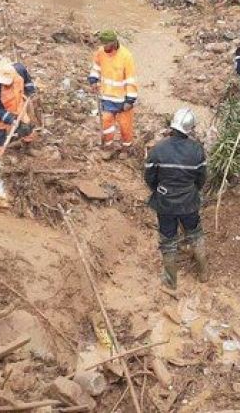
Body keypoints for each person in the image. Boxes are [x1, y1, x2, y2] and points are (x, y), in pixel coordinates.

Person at [144, 108, 208, 290]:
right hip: (189, 202)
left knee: (168, 240)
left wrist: (160, 190)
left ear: (173, 126)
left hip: (165, 203)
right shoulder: (197, 151)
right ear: (190, 129)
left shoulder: (158, 149)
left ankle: (171, 281)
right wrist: (191, 191)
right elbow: (201, 178)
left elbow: (149, 177)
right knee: (195, 234)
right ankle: (204, 273)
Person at [87, 30, 138, 149]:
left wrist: (130, 100)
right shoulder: (100, 52)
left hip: (122, 99)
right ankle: (108, 146)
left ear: (114, 43)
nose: (104, 47)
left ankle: (126, 147)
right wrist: (93, 79)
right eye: (103, 44)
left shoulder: (126, 56)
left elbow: (130, 80)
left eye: (106, 44)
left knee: (125, 126)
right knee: (106, 122)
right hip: (107, 96)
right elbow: (96, 68)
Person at [0, 59, 36, 156]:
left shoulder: (19, 69)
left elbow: (28, 80)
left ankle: (27, 147)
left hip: (16, 101)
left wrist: (30, 90)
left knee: (26, 125)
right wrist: (11, 119)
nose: (6, 84)